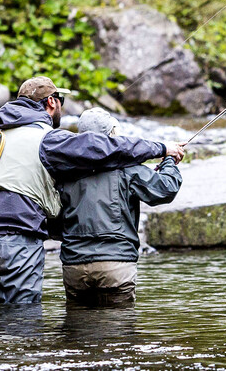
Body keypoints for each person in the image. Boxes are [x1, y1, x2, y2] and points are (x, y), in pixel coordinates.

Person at [0, 76, 185, 304]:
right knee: (21, 319)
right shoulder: (47, 139)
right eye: (60, 100)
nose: (62, 106)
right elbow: (99, 147)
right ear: (51, 102)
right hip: (16, 237)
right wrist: (161, 149)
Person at [50, 108, 183, 307]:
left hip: (74, 266)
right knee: (119, 333)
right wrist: (169, 162)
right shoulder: (128, 168)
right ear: (113, 134)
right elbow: (166, 189)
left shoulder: (64, 171)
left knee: (77, 332)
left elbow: (54, 223)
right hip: (116, 265)